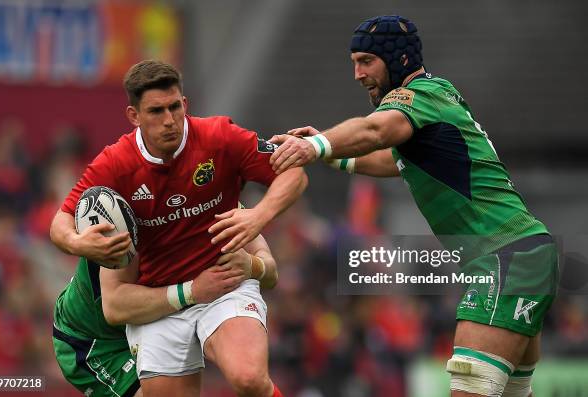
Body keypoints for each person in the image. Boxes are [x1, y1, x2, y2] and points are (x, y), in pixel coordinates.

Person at [270, 15, 557, 397]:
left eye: (366, 61)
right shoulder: (437, 97)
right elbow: (394, 159)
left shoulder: (415, 96)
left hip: (503, 257)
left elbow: (375, 131)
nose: (356, 73)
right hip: (522, 252)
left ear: (398, 59)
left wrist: (316, 144)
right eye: (354, 62)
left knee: (471, 390)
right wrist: (327, 153)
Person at [50, 60, 307, 397]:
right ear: (134, 116)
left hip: (217, 288)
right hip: (137, 315)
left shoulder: (220, 140)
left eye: (175, 108)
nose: (170, 121)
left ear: (185, 104)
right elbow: (62, 225)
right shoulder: (116, 169)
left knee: (248, 378)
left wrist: (259, 216)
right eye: (156, 111)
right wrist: (80, 243)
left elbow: (294, 172)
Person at [53, 234, 279, 397]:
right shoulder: (126, 214)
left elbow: (269, 269)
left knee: (249, 378)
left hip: (159, 311)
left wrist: (255, 265)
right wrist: (192, 292)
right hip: (96, 341)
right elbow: (115, 309)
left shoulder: (206, 190)